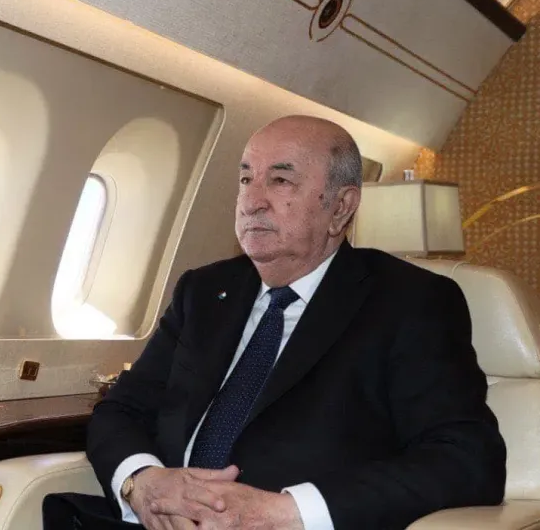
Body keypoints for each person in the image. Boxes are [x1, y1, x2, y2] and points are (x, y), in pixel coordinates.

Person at [43, 115, 506, 529]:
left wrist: (287, 513)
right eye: (246, 178)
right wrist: (142, 482)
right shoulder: (203, 291)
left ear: (341, 207)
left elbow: (465, 459)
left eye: (281, 180)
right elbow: (120, 410)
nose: (251, 201)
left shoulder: (409, 301)